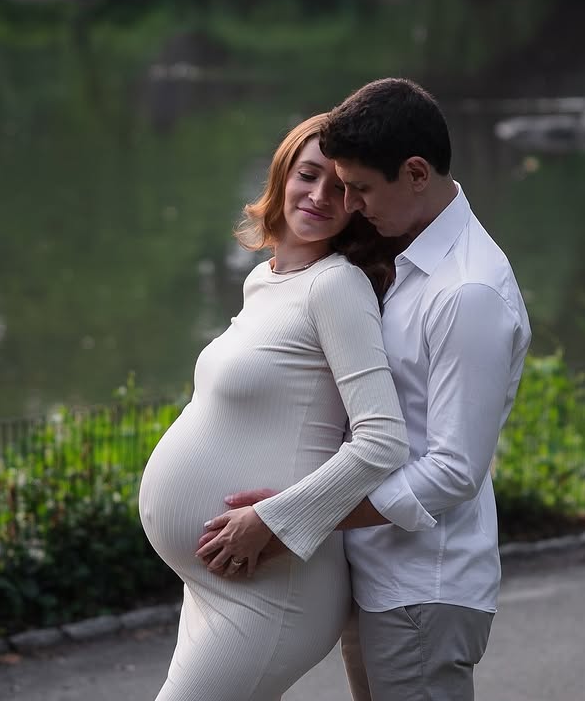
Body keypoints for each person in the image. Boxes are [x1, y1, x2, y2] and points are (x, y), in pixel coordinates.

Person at [208, 78, 531, 700]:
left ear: (416, 173)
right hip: (378, 573)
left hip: (422, 584)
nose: (350, 204)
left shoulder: (468, 292)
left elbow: (453, 471)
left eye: (359, 187)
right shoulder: (409, 258)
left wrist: (290, 518)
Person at [138, 113, 409, 701]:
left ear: (357, 204)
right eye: (308, 175)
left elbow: (383, 440)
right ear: (282, 175)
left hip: (274, 584)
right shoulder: (266, 279)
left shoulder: (336, 286)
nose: (320, 196)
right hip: (217, 581)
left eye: (341, 186)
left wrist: (273, 520)